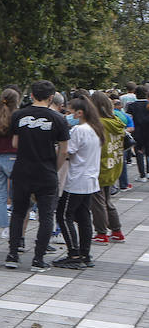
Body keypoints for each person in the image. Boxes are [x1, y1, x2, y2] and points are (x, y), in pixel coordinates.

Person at [3, 80, 69, 272]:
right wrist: (54, 168)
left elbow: (15, 143)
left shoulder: (19, 115)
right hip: (46, 171)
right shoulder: (58, 119)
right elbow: (64, 150)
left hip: (22, 170)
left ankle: (13, 254)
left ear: (31, 95)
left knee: (18, 212)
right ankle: (38, 259)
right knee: (46, 215)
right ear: (51, 98)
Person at [54, 95, 104, 269]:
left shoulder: (79, 130)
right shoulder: (96, 129)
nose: (68, 115)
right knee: (83, 217)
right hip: (90, 179)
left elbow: (67, 151)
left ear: (80, 113)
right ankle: (85, 253)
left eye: (70, 112)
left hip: (76, 180)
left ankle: (74, 253)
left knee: (63, 214)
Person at [90, 90, 127, 244]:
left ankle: (101, 233)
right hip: (113, 166)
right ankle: (116, 231)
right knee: (107, 201)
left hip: (100, 166)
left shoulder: (99, 124)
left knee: (97, 202)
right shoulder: (116, 122)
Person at [0, 88, 21, 242]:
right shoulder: (17, 118)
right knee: (17, 195)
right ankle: (15, 226)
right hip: (13, 158)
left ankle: (4, 227)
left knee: (0, 195)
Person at [128, 86, 149, 182]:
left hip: (138, 132)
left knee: (139, 152)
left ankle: (142, 175)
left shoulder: (132, 106)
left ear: (135, 94)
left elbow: (130, 119)